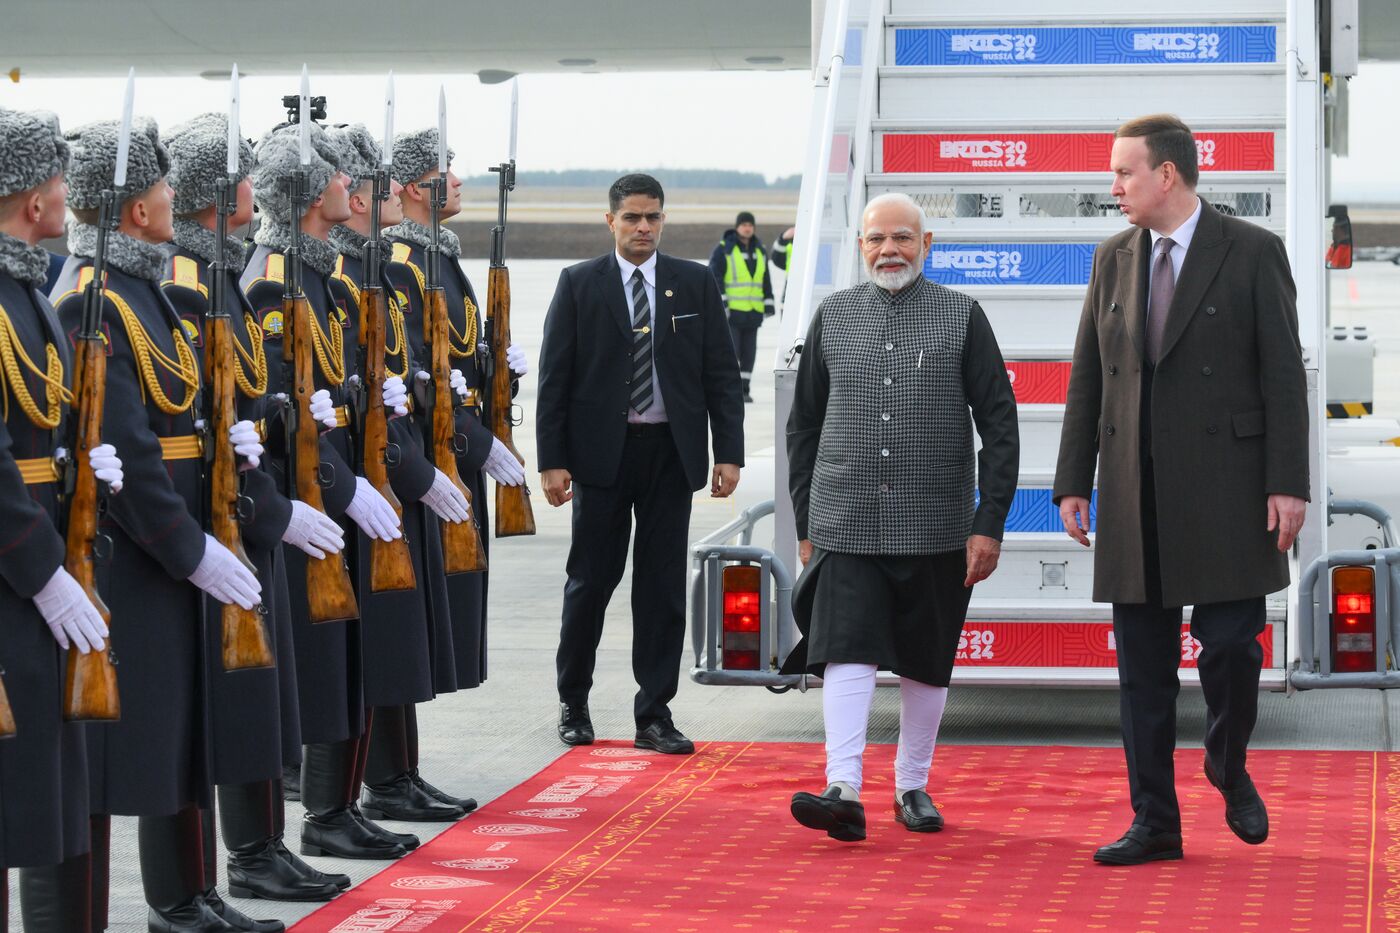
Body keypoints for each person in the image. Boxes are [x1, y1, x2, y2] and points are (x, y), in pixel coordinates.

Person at [1053, 114, 1309, 865]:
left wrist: (1287, 483)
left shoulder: (1253, 251)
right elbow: (1086, 375)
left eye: (1124, 172)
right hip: (1135, 489)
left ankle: (1227, 763)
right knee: (1142, 669)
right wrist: (1073, 478)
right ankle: (1155, 820)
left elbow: (1283, 378)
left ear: (1167, 174)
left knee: (1231, 646)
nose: (1114, 187)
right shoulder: (1113, 258)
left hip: (1229, 487)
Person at [52, 117, 279, 932]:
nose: (174, 199)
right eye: (160, 190)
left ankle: (190, 894)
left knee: (180, 728)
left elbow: (182, 404)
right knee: (134, 744)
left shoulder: (147, 290)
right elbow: (127, 444)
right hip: (139, 551)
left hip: (181, 535)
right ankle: (170, 901)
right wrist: (189, 549)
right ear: (136, 213)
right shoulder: (95, 297)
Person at [785, 192, 1018, 842]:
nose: (889, 250)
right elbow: (802, 428)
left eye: (902, 238)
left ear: (927, 243)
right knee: (845, 649)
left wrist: (989, 520)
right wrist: (806, 520)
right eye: (875, 239)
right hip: (845, 519)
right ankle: (843, 786)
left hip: (937, 524)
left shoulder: (963, 317)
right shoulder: (831, 317)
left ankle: (912, 785)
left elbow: (999, 424)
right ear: (860, 246)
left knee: (925, 659)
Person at [162, 112, 351, 903]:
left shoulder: (219, 272)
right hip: (220, 519)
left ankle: (259, 848)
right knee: (218, 708)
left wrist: (275, 409)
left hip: (248, 509)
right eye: (238, 176)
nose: (253, 188)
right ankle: (235, 864)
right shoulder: (190, 280)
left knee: (253, 693)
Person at [242, 121, 416, 863]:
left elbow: (334, 392)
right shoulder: (276, 281)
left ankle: (338, 807)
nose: (355, 187)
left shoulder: (323, 275)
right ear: (314, 193)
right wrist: (342, 489)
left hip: (339, 483)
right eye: (342, 178)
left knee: (344, 653)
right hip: (304, 498)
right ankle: (317, 815)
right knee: (316, 660)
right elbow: (280, 408)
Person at [537, 173, 744, 755]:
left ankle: (654, 713)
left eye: (653, 217)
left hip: (669, 456)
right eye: (632, 218)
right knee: (591, 583)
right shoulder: (579, 284)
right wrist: (552, 460)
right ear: (611, 222)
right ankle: (573, 702)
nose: (644, 228)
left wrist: (727, 451)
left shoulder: (695, 283)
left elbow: (721, 376)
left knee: (660, 590)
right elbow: (554, 379)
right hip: (601, 457)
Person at [325, 123, 478, 823]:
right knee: (368, 639)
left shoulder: (380, 268)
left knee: (389, 634)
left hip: (392, 466)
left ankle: (393, 775)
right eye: (371, 181)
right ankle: (355, 795)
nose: (382, 189)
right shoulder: (353, 272)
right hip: (361, 477)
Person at [0, 106, 124, 933]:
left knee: (47, 792)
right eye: (55, 180)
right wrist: (41, 570)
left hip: (47, 553)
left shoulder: (25, 286)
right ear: (31, 197)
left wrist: (85, 470)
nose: (63, 195)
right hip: (15, 573)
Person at [384, 126, 529, 757]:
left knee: (427, 620)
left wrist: (502, 374)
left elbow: (459, 362)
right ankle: (386, 775)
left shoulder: (438, 256)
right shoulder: (404, 263)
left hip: (456, 444)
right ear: (417, 186)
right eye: (447, 169)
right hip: (435, 450)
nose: (460, 179)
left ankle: (400, 772)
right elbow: (421, 378)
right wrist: (475, 443)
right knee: (408, 617)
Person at [708, 210, 774, 402]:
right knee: (732, 352)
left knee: (749, 353)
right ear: (737, 227)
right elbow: (715, 277)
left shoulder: (759, 250)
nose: (747, 228)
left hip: (753, 312)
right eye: (744, 225)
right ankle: (730, 390)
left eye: (750, 225)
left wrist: (768, 302)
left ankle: (744, 390)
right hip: (733, 312)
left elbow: (765, 278)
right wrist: (723, 303)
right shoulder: (724, 249)